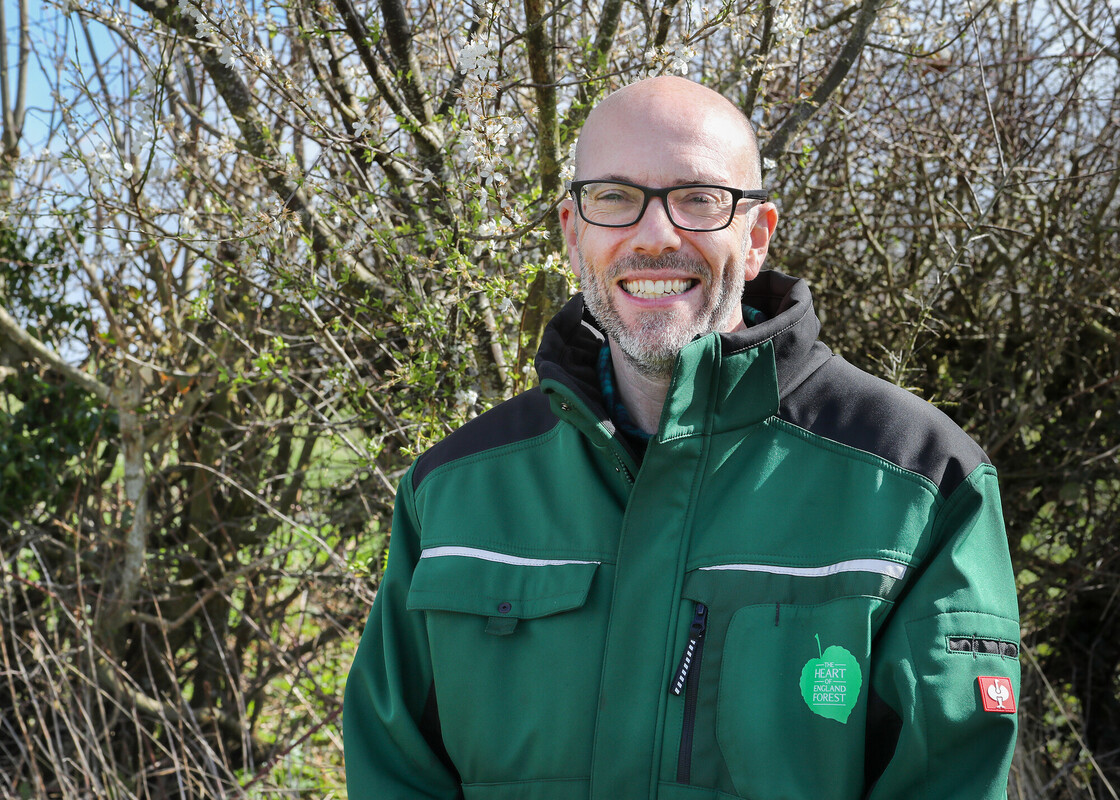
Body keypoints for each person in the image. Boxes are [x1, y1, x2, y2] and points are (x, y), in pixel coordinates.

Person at [343, 76, 1020, 800]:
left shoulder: (919, 485)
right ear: (574, 233)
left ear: (755, 236)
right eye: (614, 198)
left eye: (698, 199)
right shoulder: (453, 493)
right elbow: (395, 769)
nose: (656, 235)